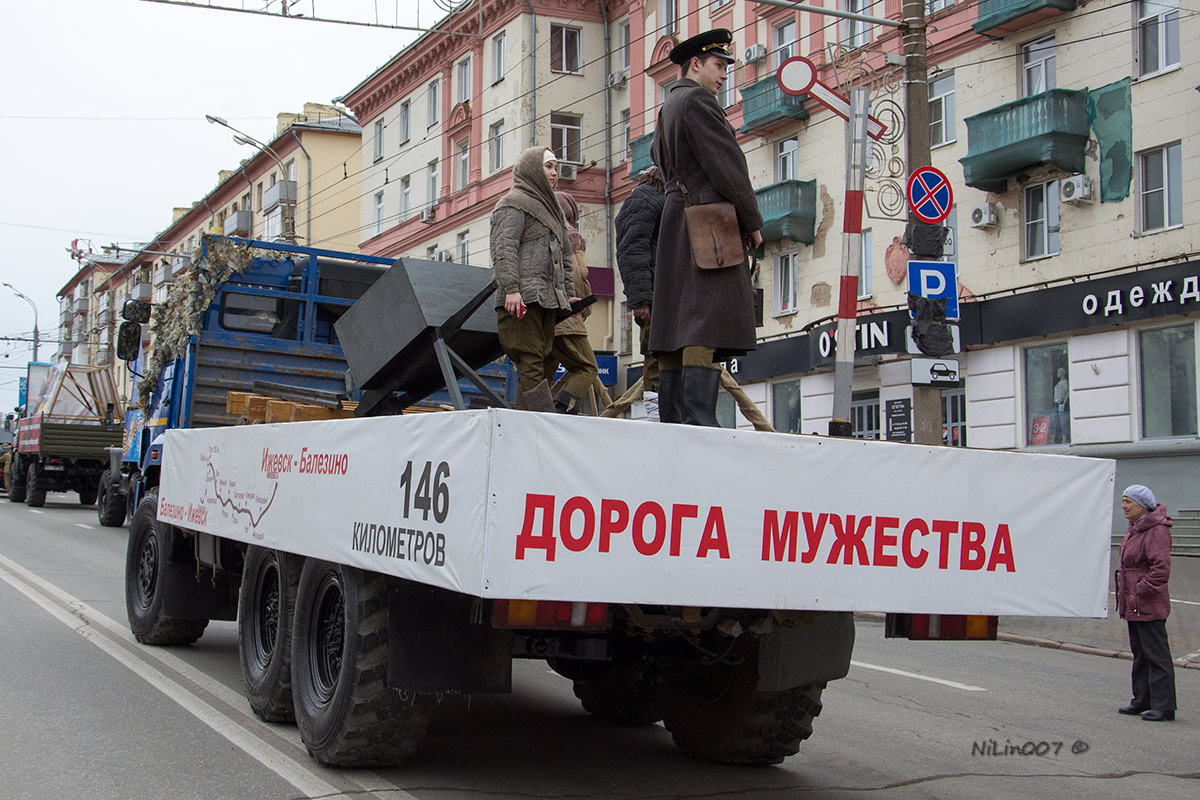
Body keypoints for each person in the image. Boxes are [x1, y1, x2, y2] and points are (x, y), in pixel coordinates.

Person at [649, 28, 763, 426]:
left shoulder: (669, 107)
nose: (724, 75)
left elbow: (658, 159)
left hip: (676, 219)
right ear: (694, 64)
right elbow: (728, 165)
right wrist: (752, 222)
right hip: (708, 223)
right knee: (704, 320)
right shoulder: (699, 101)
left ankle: (675, 418)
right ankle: (700, 420)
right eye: (718, 65)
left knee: (677, 322)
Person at [489, 147, 577, 406]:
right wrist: (511, 288)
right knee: (531, 359)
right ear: (531, 169)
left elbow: (565, 256)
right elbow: (504, 248)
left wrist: (568, 295)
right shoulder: (512, 203)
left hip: (549, 298)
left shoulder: (553, 210)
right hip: (522, 298)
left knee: (543, 357)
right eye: (548, 166)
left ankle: (526, 420)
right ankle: (539, 423)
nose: (554, 173)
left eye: (556, 167)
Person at [1115, 484, 1177, 722]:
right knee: (1140, 653)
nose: (1123, 506)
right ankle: (1141, 700)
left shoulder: (1156, 531)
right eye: (1123, 501)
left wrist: (1141, 590)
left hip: (1146, 601)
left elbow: (1160, 570)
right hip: (1133, 601)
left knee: (1156, 654)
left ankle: (1164, 705)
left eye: (1128, 502)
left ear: (1142, 505)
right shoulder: (1136, 529)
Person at [615, 165, 666, 421]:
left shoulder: (656, 198)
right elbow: (631, 251)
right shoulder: (644, 198)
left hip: (664, 293)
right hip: (655, 294)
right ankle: (655, 417)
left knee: (660, 357)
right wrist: (640, 299)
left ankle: (660, 415)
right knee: (655, 357)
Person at [542, 190, 599, 414]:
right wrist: (584, 308)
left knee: (541, 378)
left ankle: (529, 418)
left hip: (545, 316)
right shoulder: (571, 235)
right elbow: (578, 275)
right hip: (567, 315)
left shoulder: (542, 231)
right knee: (587, 367)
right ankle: (565, 410)